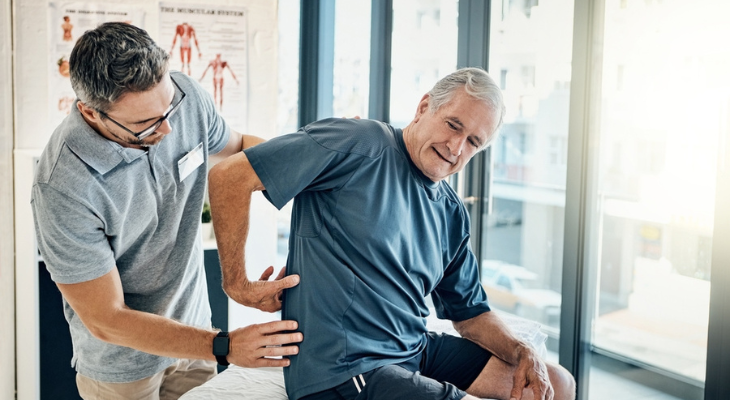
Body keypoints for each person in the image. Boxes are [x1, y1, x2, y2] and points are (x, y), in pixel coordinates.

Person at [208, 67, 576, 400]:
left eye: (474, 142)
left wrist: (522, 351)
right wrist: (236, 283)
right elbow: (230, 176)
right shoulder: (357, 141)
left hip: (414, 348)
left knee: (558, 384)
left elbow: (470, 313)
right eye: (453, 125)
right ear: (424, 107)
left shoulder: (450, 211)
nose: (456, 148)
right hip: (344, 366)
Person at [31, 22, 301, 400]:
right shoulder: (63, 184)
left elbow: (239, 148)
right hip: (122, 366)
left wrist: (312, 161)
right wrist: (224, 346)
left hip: (195, 334)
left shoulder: (184, 96)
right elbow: (107, 319)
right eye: (146, 125)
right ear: (91, 114)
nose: (170, 129)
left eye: (169, 106)